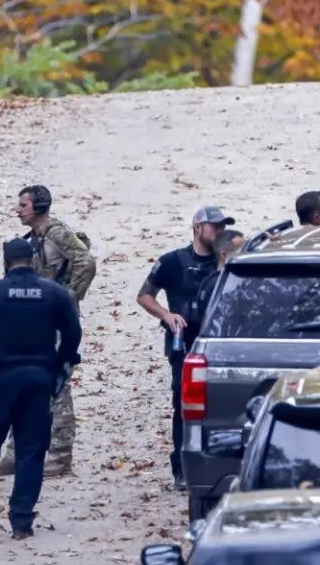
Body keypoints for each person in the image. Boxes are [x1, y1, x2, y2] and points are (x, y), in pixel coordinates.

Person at [0, 238, 82, 541]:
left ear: (6, 262)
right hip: (39, 380)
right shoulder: (55, 293)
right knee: (31, 452)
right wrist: (59, 365)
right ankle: (21, 522)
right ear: (33, 260)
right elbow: (73, 334)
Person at [0, 184, 96, 478]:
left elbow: (86, 262)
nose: (18, 210)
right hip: (32, 323)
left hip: (55, 325)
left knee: (57, 385)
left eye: (23, 205)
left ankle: (60, 456)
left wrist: (68, 298)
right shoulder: (30, 241)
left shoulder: (57, 234)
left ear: (39, 206)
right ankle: (15, 454)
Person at [136, 205, 235, 491]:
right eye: (215, 226)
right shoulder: (172, 262)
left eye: (223, 226)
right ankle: (181, 469)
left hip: (220, 343)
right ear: (197, 228)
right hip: (184, 345)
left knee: (221, 403)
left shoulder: (229, 260)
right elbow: (144, 295)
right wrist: (166, 315)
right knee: (184, 406)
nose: (220, 231)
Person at [185, 229, 245, 341]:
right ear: (224, 255)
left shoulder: (214, 282)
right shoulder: (219, 285)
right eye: (241, 252)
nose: (246, 256)